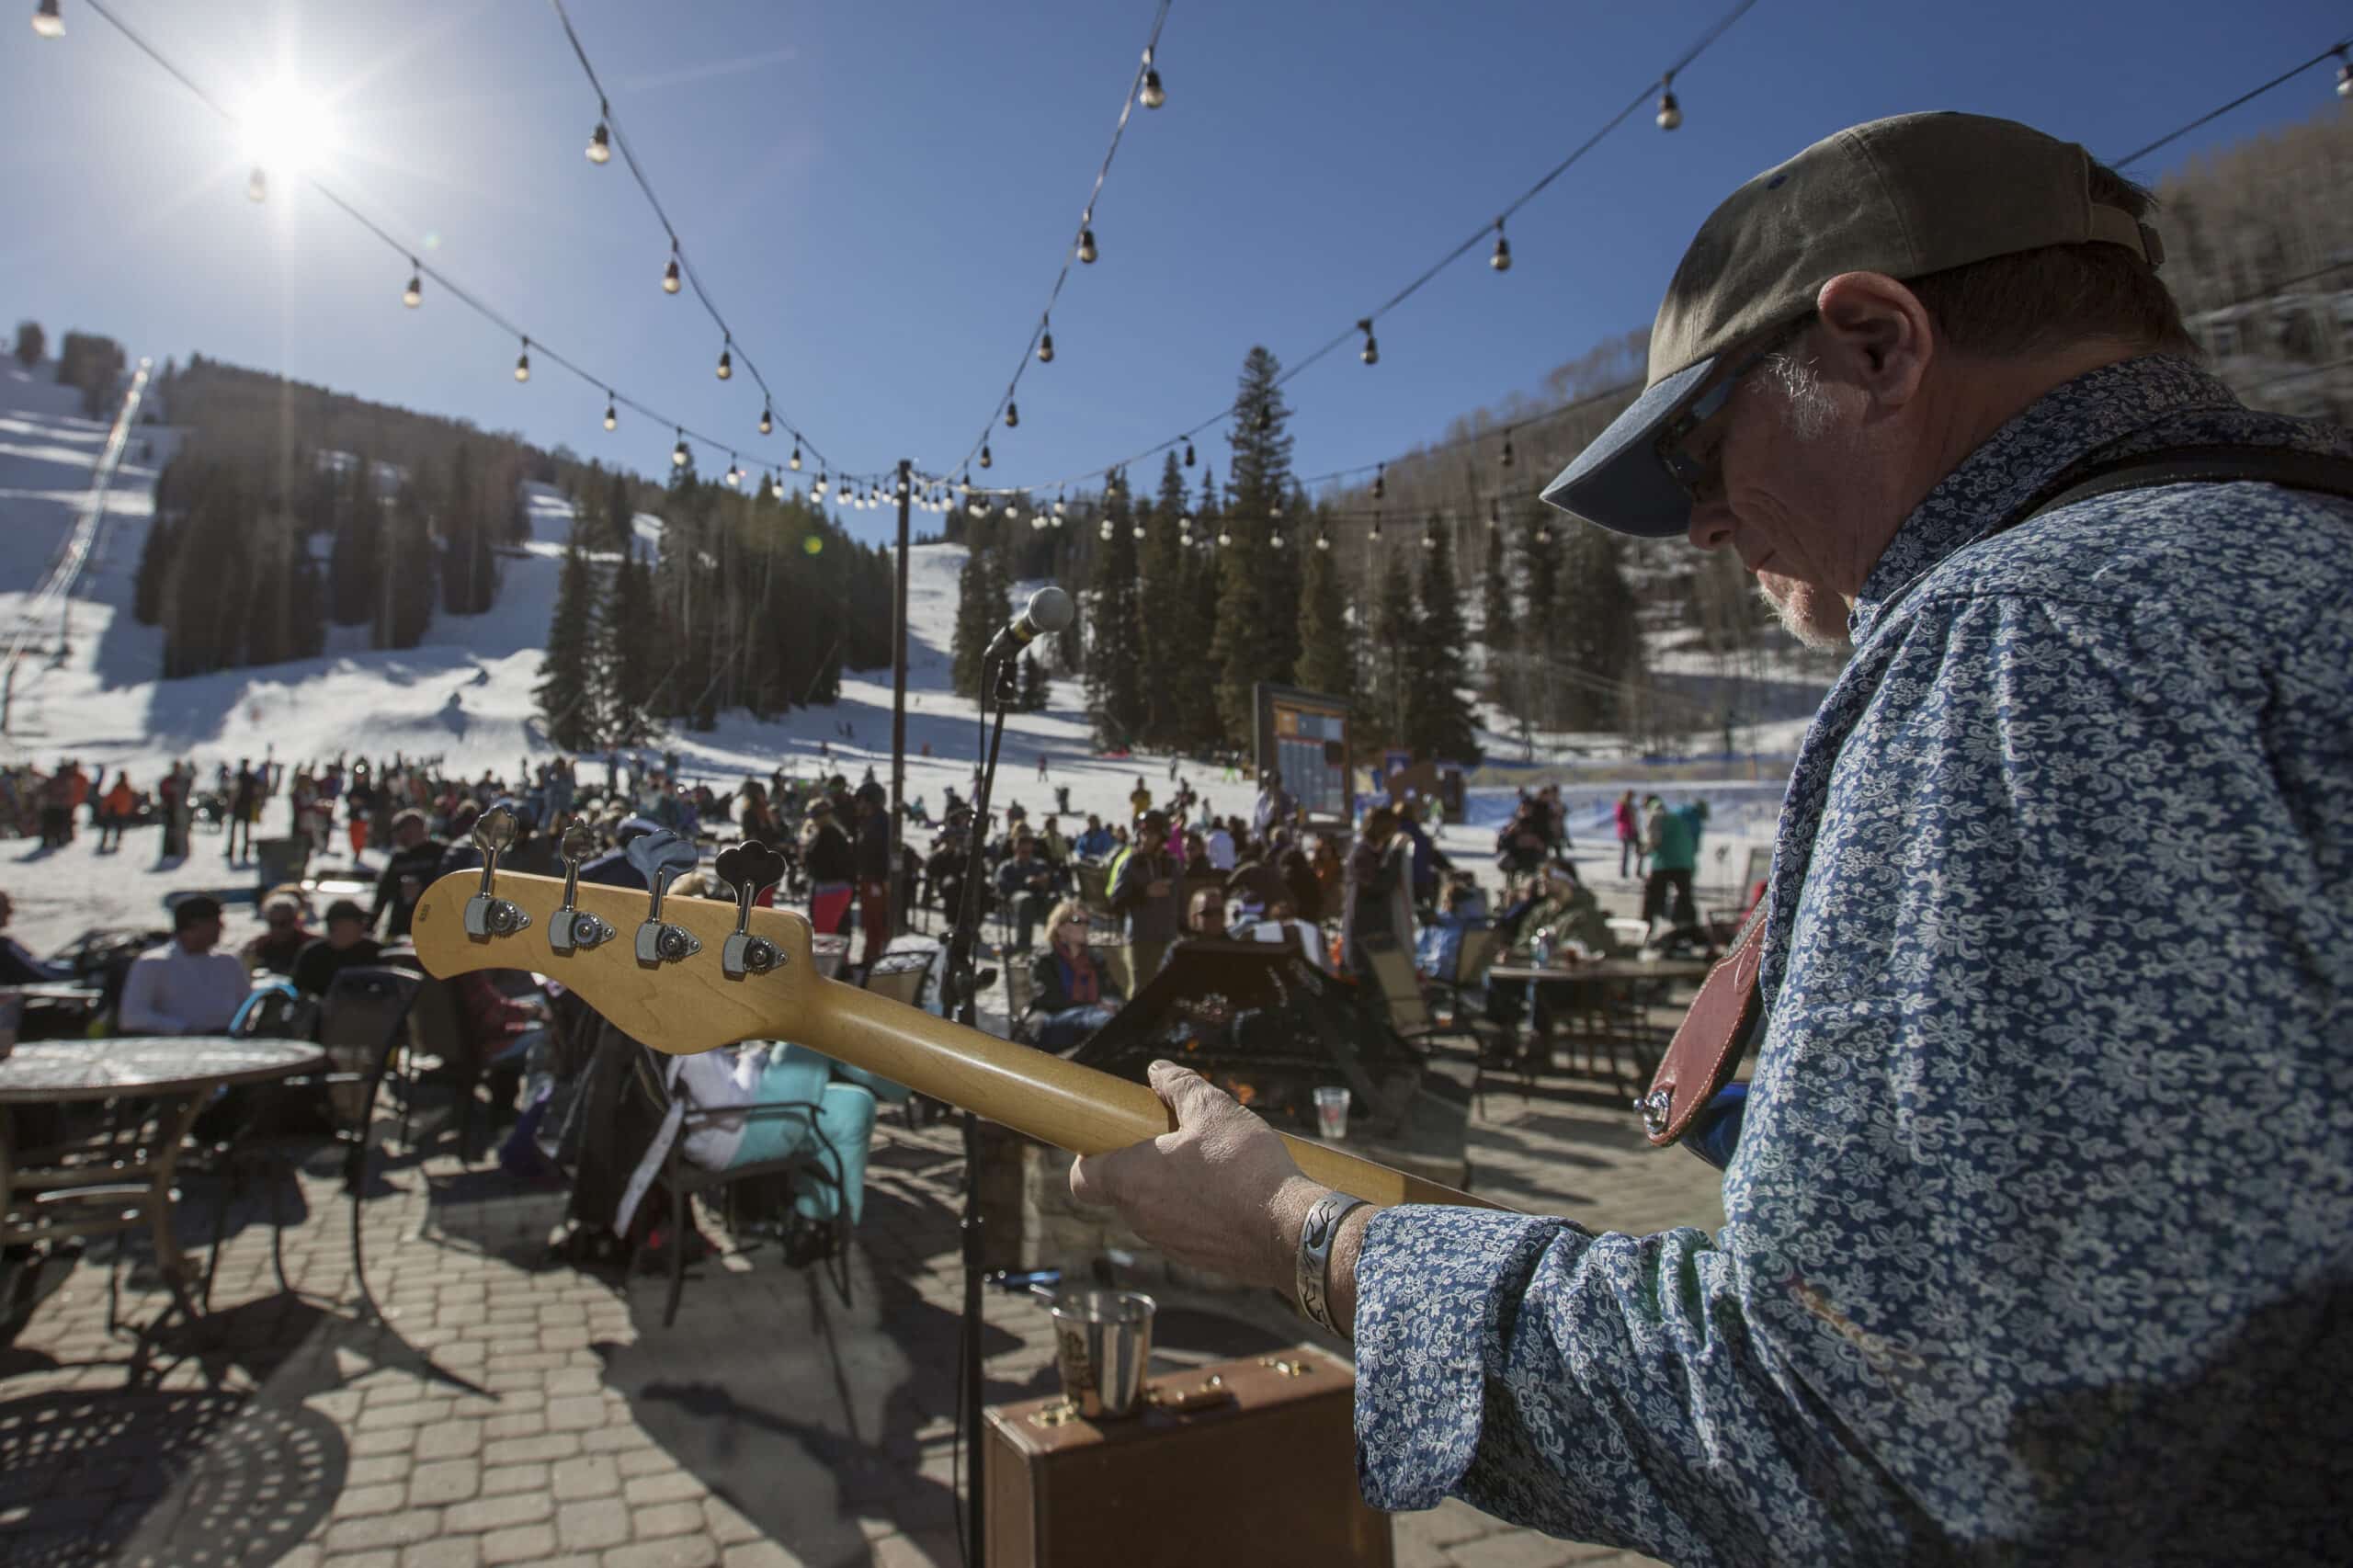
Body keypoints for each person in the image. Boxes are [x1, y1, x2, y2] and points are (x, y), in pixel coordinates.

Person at [1061, 112, 2353, 1563]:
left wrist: (1300, 1230)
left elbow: (1858, 1428)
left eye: (1698, 443)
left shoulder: (2022, 640)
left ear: (1877, 346)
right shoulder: (2276, 569)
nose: (1698, 526)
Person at [119, 895, 247, 1036]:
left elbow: (247, 1007)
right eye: (215, 922)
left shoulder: (229, 963)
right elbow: (132, 1017)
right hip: (175, 1048)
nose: (222, 927)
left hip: (228, 1045)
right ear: (194, 924)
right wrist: (183, 1030)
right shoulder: (153, 963)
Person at [1024, 901, 1123, 1051]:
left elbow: (1114, 992)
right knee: (1100, 1019)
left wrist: (1114, 1005)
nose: (1085, 927)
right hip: (1052, 1023)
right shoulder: (1044, 959)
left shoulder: (1095, 959)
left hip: (1092, 1020)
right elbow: (1049, 1000)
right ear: (1060, 927)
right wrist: (1093, 1006)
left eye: (1087, 922)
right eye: (1077, 921)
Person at [1108, 808, 1182, 983]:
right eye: (1143, 833)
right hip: (1142, 939)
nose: (1146, 839)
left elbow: (1181, 899)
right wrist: (1144, 893)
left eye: (1151, 834)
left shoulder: (1172, 865)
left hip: (1168, 937)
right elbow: (1116, 902)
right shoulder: (1132, 864)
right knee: (1141, 987)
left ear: (1162, 837)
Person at [1338, 805, 1412, 977]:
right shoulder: (1362, 854)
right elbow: (1380, 884)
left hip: (1370, 933)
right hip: (1365, 934)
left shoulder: (1370, 852)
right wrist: (1397, 853)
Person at [368, 809, 447, 941]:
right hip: (399, 926)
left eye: (398, 830)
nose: (395, 836)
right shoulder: (398, 858)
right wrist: (369, 926)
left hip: (431, 925)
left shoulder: (440, 852)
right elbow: (383, 893)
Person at [291, 899, 385, 998]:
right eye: (359, 921)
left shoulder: (375, 951)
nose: (364, 925)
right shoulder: (312, 954)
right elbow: (297, 992)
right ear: (336, 925)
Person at [1642, 794, 1698, 931]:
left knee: (1652, 895)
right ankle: (1688, 925)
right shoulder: (1675, 818)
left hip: (1664, 863)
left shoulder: (1655, 815)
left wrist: (1644, 850)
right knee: (1684, 895)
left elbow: (1654, 840)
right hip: (1684, 862)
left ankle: (1646, 926)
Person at [994, 834, 1057, 951]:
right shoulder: (1007, 867)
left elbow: (1055, 883)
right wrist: (1026, 883)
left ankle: (1055, 941)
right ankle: (1023, 945)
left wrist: (1046, 882)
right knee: (1026, 899)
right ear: (1015, 849)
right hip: (1016, 901)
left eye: (1029, 851)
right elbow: (1001, 886)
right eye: (1023, 851)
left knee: (1054, 899)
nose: (1026, 855)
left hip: (1040, 899)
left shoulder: (1040, 864)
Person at [802, 797, 855, 937]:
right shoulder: (834, 833)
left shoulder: (826, 834)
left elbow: (819, 863)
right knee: (835, 930)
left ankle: (829, 960)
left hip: (830, 889)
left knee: (825, 933)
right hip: (837, 888)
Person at [0, 891, 69, 983]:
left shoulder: (6, 945)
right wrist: (76, 971)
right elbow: (42, 974)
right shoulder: (5, 946)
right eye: (5, 906)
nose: (11, 911)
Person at [239, 894, 312, 977]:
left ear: (295, 920)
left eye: (283, 924)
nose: (277, 929)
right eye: (273, 923)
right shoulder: (257, 946)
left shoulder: (309, 944)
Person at [1612, 789, 1640, 879]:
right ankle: (1623, 872)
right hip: (1625, 831)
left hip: (1634, 830)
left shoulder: (1632, 806)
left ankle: (1638, 871)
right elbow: (1618, 818)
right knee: (1626, 852)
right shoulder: (1621, 805)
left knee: (1640, 851)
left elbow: (1636, 818)